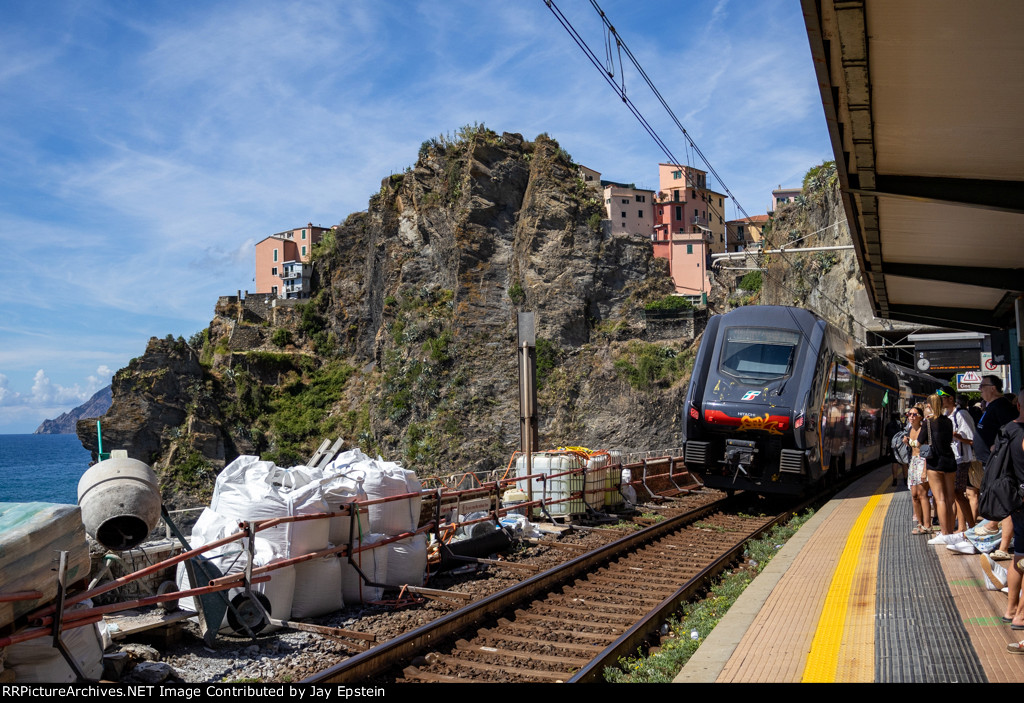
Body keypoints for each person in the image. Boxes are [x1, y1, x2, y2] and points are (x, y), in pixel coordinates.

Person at [976, 375, 1018, 560]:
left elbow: (1009, 430)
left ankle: (1003, 544)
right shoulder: (991, 406)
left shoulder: (1001, 406)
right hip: (990, 462)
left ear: (993, 387)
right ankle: (998, 533)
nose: (980, 390)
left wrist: (998, 446)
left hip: (999, 464)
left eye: (982, 386)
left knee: (1005, 500)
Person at [999, 390, 1024, 653]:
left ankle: (1010, 610)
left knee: (1019, 555)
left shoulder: (1008, 430)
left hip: (1015, 500)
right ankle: (1021, 617)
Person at [922, 394, 959, 543]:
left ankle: (944, 534)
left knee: (940, 499)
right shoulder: (948, 421)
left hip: (935, 463)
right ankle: (950, 531)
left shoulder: (928, 422)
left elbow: (919, 442)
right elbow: (949, 439)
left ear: (929, 406)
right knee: (951, 499)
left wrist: (910, 442)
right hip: (949, 461)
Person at [939, 386, 977, 530]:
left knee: (958, 493)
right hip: (951, 459)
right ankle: (961, 528)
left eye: (942, 397)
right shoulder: (946, 414)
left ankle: (968, 527)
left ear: (950, 398)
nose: (941, 401)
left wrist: (955, 435)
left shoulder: (961, 414)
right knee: (955, 494)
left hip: (961, 459)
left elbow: (972, 439)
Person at [904, 406, 931, 534]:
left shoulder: (923, 430)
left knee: (922, 494)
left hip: (922, 461)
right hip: (913, 462)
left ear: (920, 416)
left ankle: (927, 525)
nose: (911, 417)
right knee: (914, 495)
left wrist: (925, 470)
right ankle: (919, 524)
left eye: (914, 414)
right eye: (909, 414)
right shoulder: (910, 430)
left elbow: (926, 450)